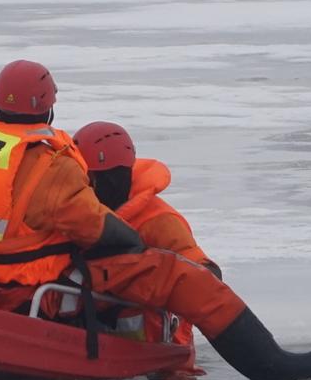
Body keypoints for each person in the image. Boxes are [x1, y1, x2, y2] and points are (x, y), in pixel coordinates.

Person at [0, 60, 311, 380]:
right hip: (38, 284)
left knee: (183, 270)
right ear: (48, 107)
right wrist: (128, 242)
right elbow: (92, 226)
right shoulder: (48, 163)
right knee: (178, 276)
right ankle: (268, 364)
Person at [73, 121, 214, 359]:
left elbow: (205, 275)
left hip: (157, 354)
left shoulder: (158, 221)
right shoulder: (80, 213)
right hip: (93, 336)